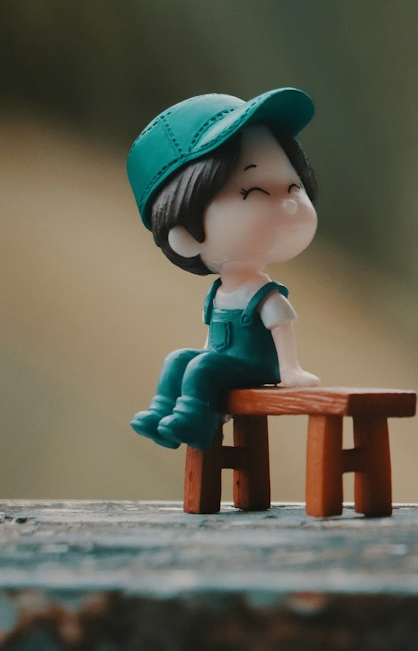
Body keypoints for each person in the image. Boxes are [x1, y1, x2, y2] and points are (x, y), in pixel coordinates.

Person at [127, 89, 321, 451]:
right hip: (226, 362)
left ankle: (196, 421)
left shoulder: (266, 294)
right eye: (253, 192)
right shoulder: (219, 293)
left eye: (294, 186)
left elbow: (282, 328)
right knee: (181, 360)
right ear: (183, 233)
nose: (290, 204)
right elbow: (212, 342)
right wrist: (203, 356)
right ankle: (161, 412)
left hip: (259, 367)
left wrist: (291, 371)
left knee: (202, 369)